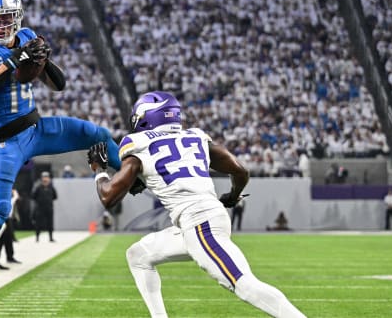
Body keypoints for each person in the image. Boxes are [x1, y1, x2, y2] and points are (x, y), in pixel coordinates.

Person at [0, 0, 123, 318]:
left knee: (101, 136)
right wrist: (13, 59)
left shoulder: (27, 36)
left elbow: (58, 84)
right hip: (4, 142)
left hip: (36, 129)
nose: (1, 23)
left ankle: (141, 180)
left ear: (17, 16)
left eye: (6, 16)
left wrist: (41, 58)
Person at [86, 91, 306, 318]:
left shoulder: (138, 144)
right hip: (198, 221)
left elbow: (108, 197)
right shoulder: (195, 138)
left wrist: (99, 170)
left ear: (145, 117)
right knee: (138, 255)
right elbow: (240, 171)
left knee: (244, 285)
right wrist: (232, 196)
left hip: (199, 224)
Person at [32, 171, 57, 242]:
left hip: (49, 208)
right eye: (44, 177)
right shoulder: (38, 187)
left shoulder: (51, 187)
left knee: (50, 223)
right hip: (40, 208)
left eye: (47, 177)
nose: (45, 179)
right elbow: (33, 196)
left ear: (49, 178)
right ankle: (37, 238)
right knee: (38, 223)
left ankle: (51, 238)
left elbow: (55, 196)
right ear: (41, 178)